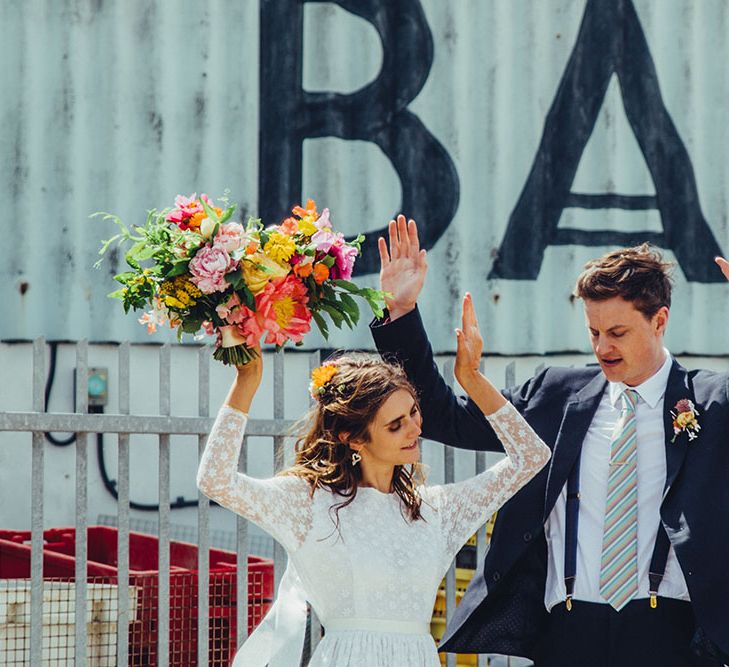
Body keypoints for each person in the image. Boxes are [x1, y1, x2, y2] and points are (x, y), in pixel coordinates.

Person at [371, 215, 729, 667]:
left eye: (618, 333)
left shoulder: (715, 402)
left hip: (671, 636)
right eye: (594, 332)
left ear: (659, 321)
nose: (603, 347)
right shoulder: (555, 394)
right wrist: (401, 313)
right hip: (567, 634)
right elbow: (446, 419)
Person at [196, 298, 551, 667]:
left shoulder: (437, 510)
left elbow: (532, 457)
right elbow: (215, 480)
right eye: (395, 424)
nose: (415, 429)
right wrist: (246, 382)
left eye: (413, 412)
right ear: (353, 437)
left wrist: (473, 380)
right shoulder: (307, 502)